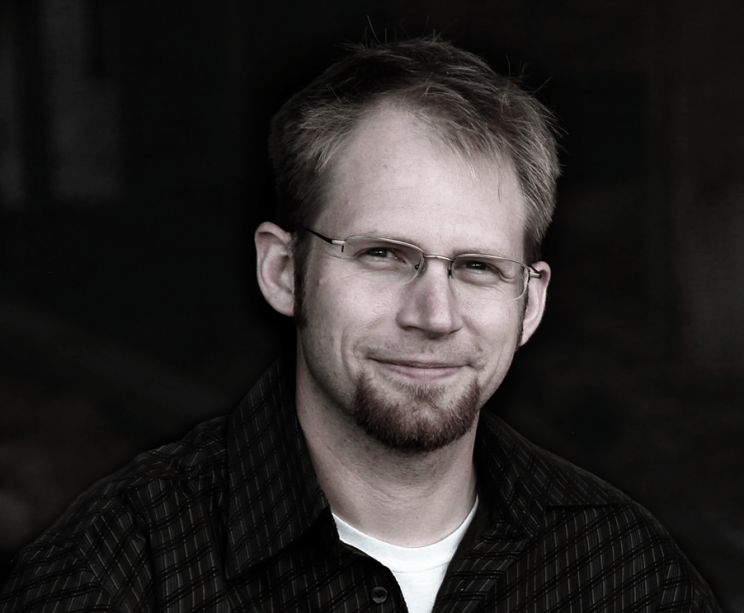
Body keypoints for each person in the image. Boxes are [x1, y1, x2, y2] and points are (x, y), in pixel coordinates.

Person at [1, 38, 720, 613]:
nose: (434, 315)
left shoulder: (624, 573)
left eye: (476, 267)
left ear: (529, 304)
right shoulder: (115, 574)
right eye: (383, 254)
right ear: (284, 271)